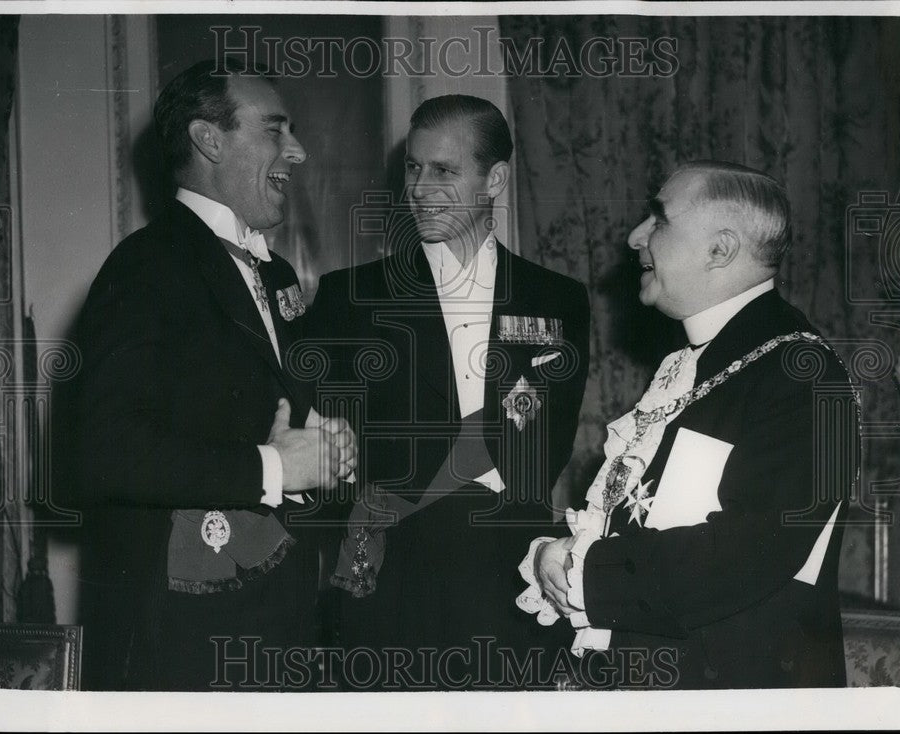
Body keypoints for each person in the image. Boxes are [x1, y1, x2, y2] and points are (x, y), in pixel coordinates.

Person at [65, 59, 355, 691]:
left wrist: (324, 451)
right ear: (209, 139)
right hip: (181, 642)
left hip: (279, 629)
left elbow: (270, 427)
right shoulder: (145, 266)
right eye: (276, 130)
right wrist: (277, 469)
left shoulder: (275, 274)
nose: (297, 152)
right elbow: (101, 453)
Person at [526, 161, 857, 689]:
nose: (635, 237)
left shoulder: (803, 375)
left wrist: (583, 571)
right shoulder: (690, 362)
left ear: (720, 250)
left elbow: (748, 554)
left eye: (657, 220)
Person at [306, 94, 591, 689]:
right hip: (391, 581)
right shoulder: (348, 299)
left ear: (495, 179)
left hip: (511, 576)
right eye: (413, 167)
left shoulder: (555, 300)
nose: (421, 187)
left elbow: (546, 442)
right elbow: (333, 451)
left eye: (444, 170)